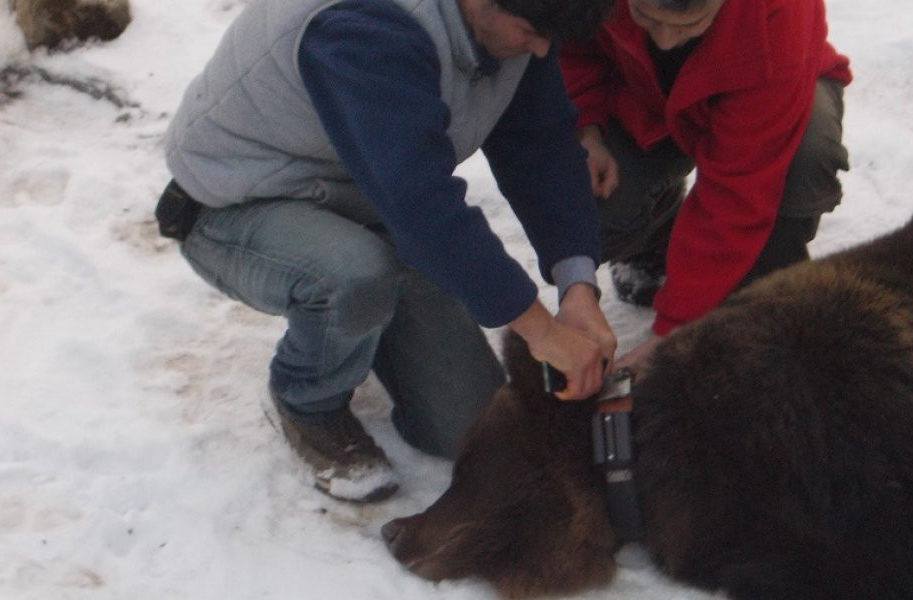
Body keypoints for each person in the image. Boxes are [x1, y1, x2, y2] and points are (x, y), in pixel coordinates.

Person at [157, 0, 617, 503]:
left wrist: (579, 287)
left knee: (465, 424)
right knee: (354, 276)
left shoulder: (517, 25)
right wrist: (540, 330)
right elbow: (421, 203)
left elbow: (541, 147)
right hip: (240, 199)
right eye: (531, 31)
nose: (543, 50)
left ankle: (360, 322)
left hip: (366, 197)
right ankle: (307, 401)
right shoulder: (367, 28)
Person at [559, 0, 852, 372]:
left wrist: (674, 331)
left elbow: (739, 191)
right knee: (582, 204)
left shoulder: (778, 14)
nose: (665, 41)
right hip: (641, 96)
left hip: (770, 89)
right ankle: (657, 241)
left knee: (801, 163)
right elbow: (572, 45)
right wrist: (585, 126)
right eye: (646, 17)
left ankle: (765, 291)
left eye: (688, 24)